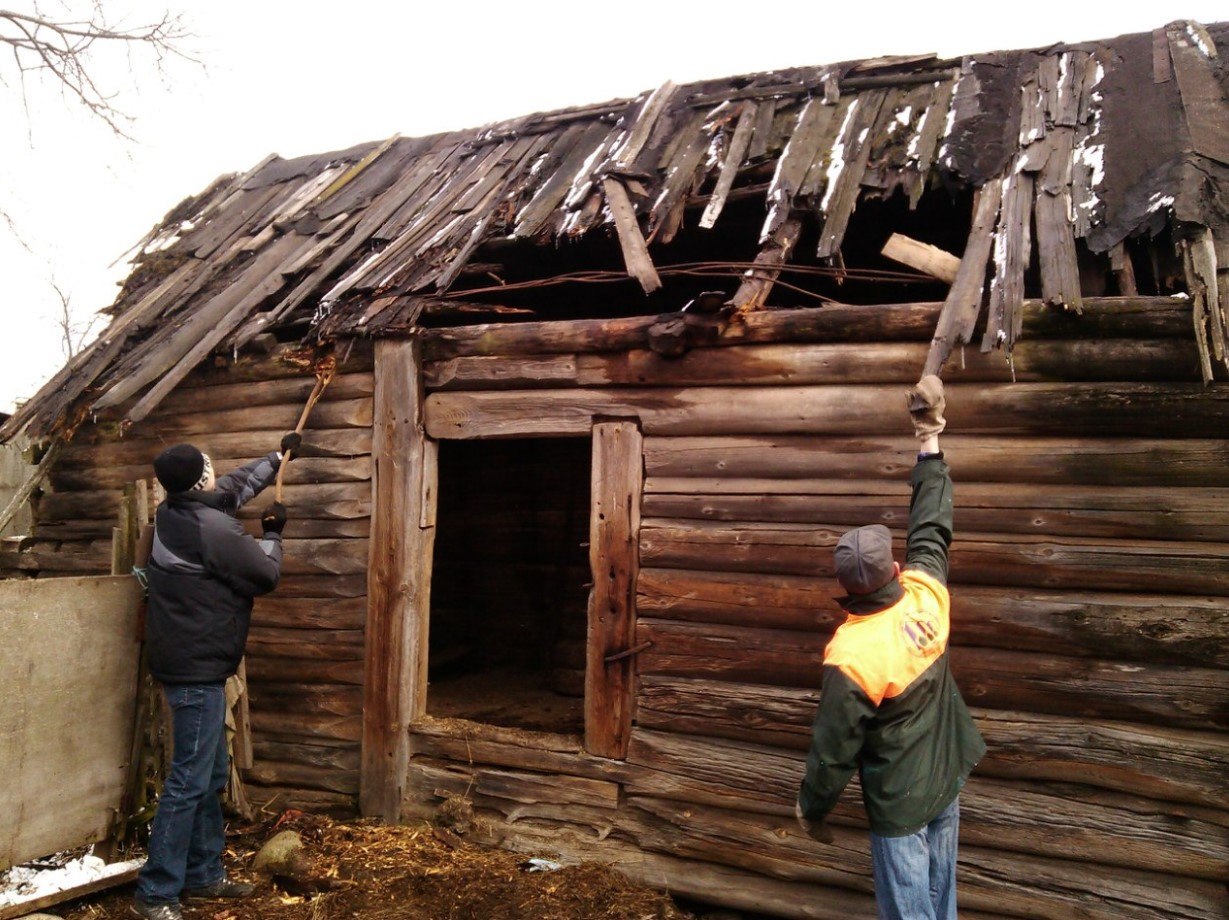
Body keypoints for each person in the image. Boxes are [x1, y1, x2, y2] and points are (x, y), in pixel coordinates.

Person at [795, 375, 985, 920]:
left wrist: (813, 810)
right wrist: (930, 438)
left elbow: (833, 750)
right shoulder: (926, 594)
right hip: (947, 775)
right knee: (939, 903)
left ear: (845, 585)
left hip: (901, 801)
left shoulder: (851, 654)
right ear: (895, 570)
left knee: (909, 912)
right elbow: (932, 524)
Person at [132, 434, 298, 920]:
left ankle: (204, 876)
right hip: (196, 670)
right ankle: (156, 891)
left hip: (191, 662)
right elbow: (264, 575)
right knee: (188, 779)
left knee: (207, 774)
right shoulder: (210, 528)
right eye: (209, 465)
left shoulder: (176, 512)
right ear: (199, 476)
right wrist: (273, 534)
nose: (215, 470)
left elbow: (232, 488)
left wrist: (276, 458)